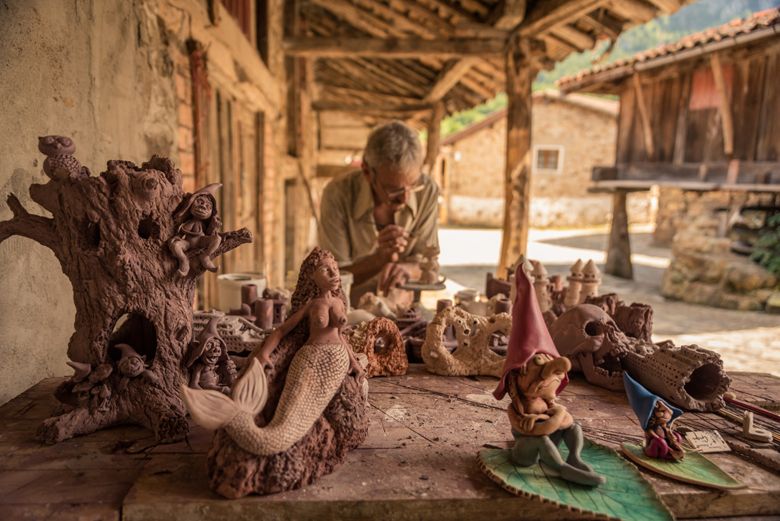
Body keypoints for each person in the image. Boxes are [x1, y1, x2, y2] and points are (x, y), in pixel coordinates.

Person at [318, 121, 440, 304]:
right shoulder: (338, 194)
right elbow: (332, 279)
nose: (404, 199)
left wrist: (407, 269)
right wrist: (378, 260)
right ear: (367, 172)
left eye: (413, 186)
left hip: (405, 312)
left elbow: (429, 263)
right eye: (394, 190)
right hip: (350, 313)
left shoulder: (427, 190)